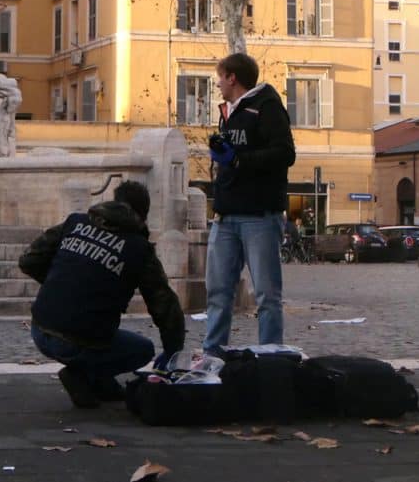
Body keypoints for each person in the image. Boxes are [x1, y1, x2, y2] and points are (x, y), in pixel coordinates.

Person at [19, 181, 185, 408]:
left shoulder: (75, 223)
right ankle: (81, 375)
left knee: (102, 331)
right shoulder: (138, 248)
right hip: (79, 340)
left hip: (39, 329)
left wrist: (60, 283)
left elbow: (28, 260)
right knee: (142, 349)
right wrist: (173, 350)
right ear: (143, 215)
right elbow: (164, 304)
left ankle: (99, 383)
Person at [204, 52, 296, 356]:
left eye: (220, 77)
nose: (217, 84)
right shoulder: (229, 111)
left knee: (267, 294)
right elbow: (236, 156)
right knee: (218, 292)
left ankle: (270, 356)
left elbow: (285, 154)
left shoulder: (267, 107)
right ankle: (212, 354)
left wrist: (239, 159)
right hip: (226, 214)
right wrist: (223, 156)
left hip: (259, 215)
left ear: (232, 78)